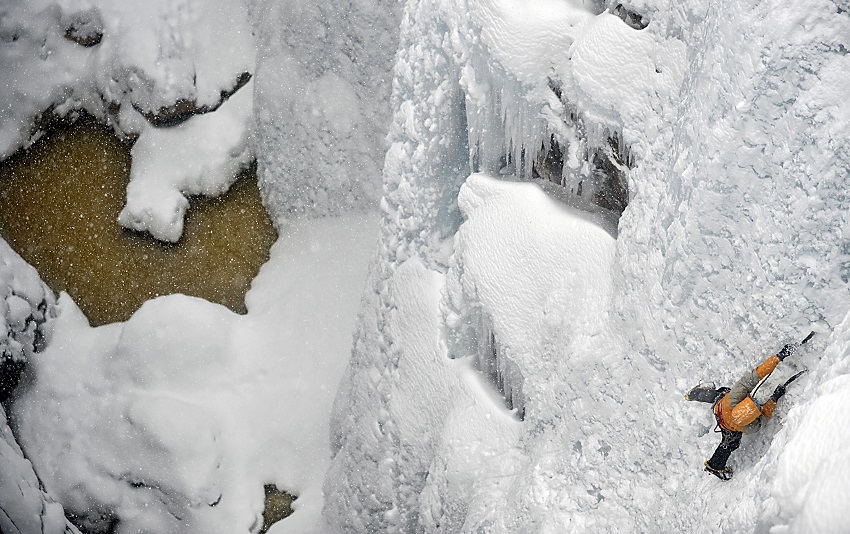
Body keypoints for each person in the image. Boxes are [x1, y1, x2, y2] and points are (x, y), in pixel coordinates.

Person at [685, 342, 798, 480]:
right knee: (731, 443)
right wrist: (774, 398)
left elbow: (756, 375)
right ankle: (715, 465)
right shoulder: (749, 427)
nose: (756, 402)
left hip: (722, 408)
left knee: (719, 395)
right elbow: (765, 416)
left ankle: (696, 394)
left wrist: (778, 357)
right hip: (725, 418)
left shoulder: (736, 397)